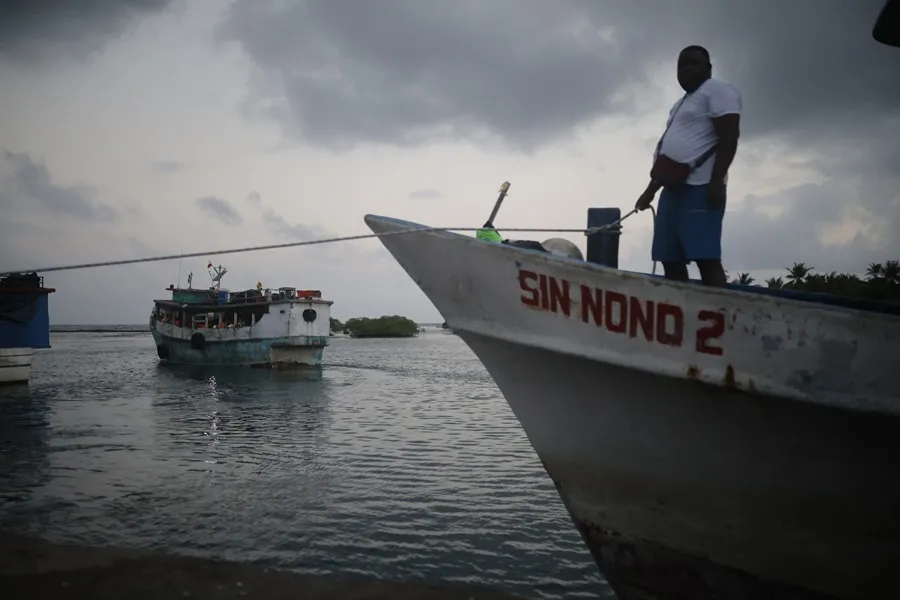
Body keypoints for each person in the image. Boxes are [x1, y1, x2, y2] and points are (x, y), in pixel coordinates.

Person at [635, 45, 742, 287]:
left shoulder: (717, 90)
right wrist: (650, 192)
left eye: (692, 62)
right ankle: (681, 315)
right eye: (681, 64)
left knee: (705, 258)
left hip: (701, 187)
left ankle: (719, 313)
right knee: (669, 259)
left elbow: (729, 137)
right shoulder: (679, 104)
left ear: (708, 68)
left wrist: (717, 180)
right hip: (671, 189)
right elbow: (674, 153)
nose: (685, 69)